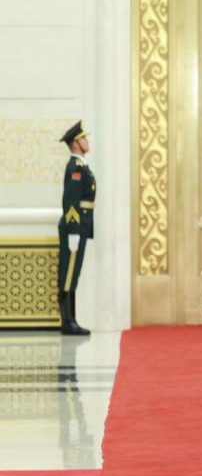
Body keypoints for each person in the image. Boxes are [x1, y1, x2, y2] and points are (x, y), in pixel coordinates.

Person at [57, 121, 95, 336]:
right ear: (75, 143)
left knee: (73, 273)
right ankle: (67, 321)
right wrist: (73, 230)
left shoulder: (81, 166)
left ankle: (71, 320)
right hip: (75, 227)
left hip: (80, 226)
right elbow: (70, 202)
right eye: (83, 138)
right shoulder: (75, 168)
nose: (87, 141)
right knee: (68, 273)